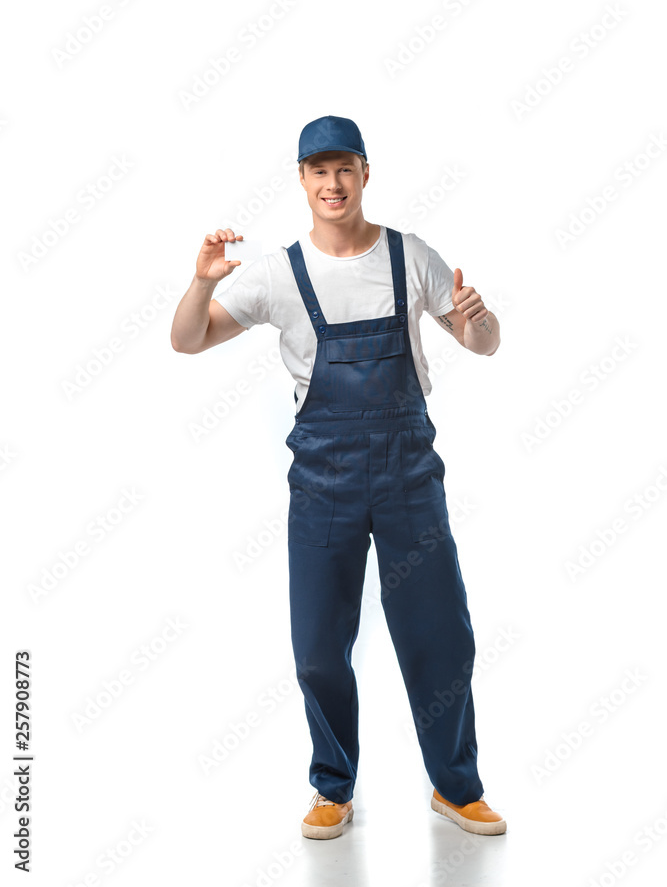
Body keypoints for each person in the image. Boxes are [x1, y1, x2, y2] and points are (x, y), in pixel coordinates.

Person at [171, 115, 506, 840]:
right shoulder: (276, 275)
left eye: (344, 168)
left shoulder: (408, 256)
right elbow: (187, 339)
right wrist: (199, 285)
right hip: (323, 486)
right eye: (318, 170)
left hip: (409, 478)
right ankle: (332, 788)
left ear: (363, 172)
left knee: (440, 638)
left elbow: (482, 345)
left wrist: (478, 321)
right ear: (301, 179)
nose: (332, 183)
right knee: (320, 645)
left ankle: (455, 786)